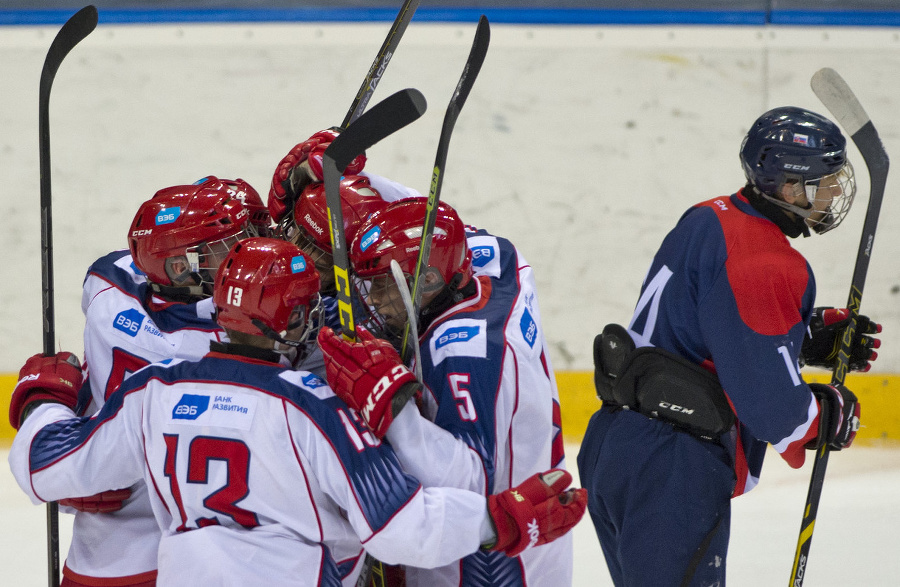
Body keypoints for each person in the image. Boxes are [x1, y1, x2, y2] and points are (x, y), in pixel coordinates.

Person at [8, 237, 586, 586]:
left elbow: (44, 467)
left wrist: (44, 400)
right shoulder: (315, 411)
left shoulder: (153, 392)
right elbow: (399, 527)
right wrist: (499, 520)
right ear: (291, 322)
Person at [576, 106, 882, 586]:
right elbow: (772, 408)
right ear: (790, 186)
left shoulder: (710, 217)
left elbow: (705, 320)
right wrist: (822, 419)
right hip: (671, 469)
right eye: (824, 180)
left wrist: (801, 334)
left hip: (616, 447)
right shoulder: (766, 262)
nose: (833, 192)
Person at [15, 176, 264, 587]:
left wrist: (42, 401)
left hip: (102, 549)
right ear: (182, 268)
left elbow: (44, 457)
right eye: (231, 248)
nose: (248, 253)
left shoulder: (105, 284)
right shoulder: (240, 341)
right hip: (212, 555)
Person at [316, 198, 572, 586]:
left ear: (431, 280)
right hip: (515, 541)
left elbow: (472, 482)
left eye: (385, 286)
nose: (376, 301)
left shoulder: (464, 355)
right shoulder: (496, 261)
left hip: (492, 565)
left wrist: (391, 403)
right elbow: (443, 227)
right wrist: (363, 191)